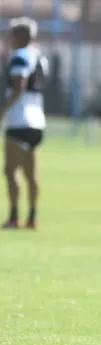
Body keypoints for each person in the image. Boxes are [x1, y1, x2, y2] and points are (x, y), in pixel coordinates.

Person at [0, 17, 47, 230]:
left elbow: (19, 87)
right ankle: (33, 217)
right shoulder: (39, 57)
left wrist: (2, 110)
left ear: (20, 36)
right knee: (31, 174)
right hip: (38, 121)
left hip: (20, 121)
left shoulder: (19, 57)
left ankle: (14, 217)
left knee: (10, 171)